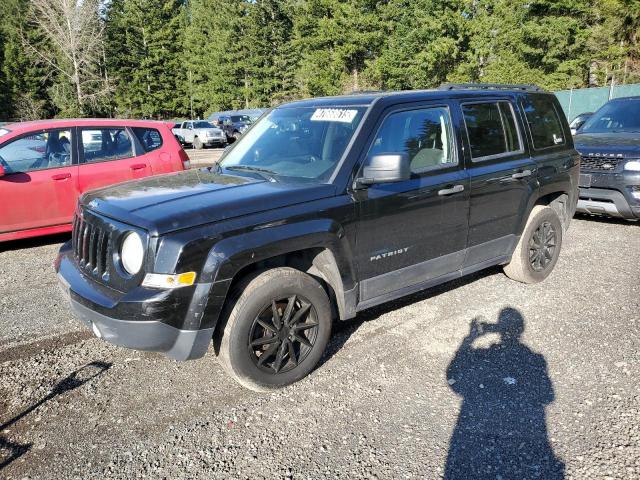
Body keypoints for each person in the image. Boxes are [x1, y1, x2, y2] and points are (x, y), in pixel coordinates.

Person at [445, 307, 565, 479]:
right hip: (526, 436)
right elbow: (548, 395)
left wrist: (470, 339)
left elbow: (454, 376)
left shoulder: (490, 355)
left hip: (481, 437)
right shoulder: (534, 359)